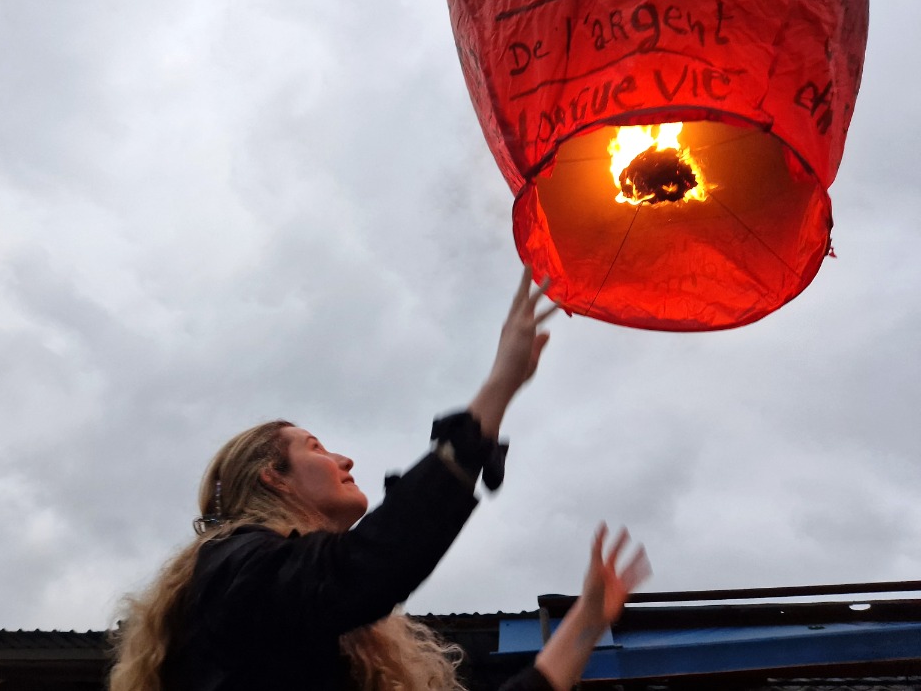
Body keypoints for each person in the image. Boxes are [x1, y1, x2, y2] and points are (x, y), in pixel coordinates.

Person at [110, 268, 651, 691]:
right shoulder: (232, 569)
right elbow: (368, 565)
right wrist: (499, 387)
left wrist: (586, 622)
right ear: (272, 477)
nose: (345, 460)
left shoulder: (333, 625)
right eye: (316, 448)